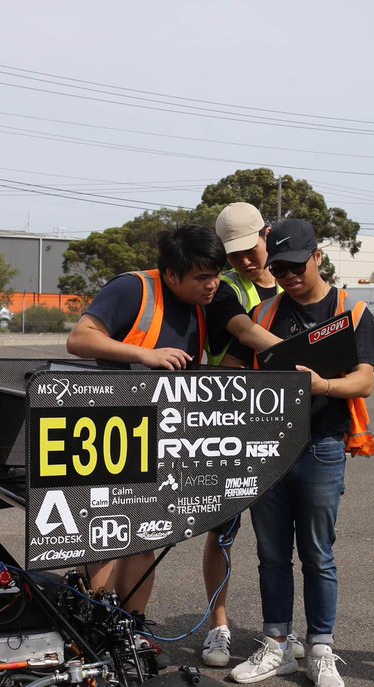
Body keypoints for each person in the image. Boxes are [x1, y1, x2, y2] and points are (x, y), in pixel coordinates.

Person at [224, 219, 374, 687]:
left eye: (297, 265)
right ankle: (276, 641)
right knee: (271, 553)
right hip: (267, 447)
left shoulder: (351, 311)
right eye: (280, 268)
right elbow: (231, 367)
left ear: (318, 256)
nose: (289, 276)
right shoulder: (266, 313)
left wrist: (322, 386)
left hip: (323, 445)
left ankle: (319, 649)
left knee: (318, 554)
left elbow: (365, 380)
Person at [65, 224, 226, 618]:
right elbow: (79, 339)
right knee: (102, 535)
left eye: (217, 275)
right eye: (202, 277)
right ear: (172, 274)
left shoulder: (202, 304)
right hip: (107, 434)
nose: (213, 285)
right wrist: (145, 354)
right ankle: (96, 624)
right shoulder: (133, 289)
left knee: (142, 537)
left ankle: (131, 627)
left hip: (159, 437)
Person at [199, 202, 291, 668]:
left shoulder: (294, 279)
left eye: (250, 249)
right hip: (230, 424)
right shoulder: (225, 287)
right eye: (232, 254)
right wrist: (299, 355)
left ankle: (284, 635)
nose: (244, 261)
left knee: (283, 539)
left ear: (268, 234)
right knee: (223, 531)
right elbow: (241, 329)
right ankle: (219, 626)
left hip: (283, 426)